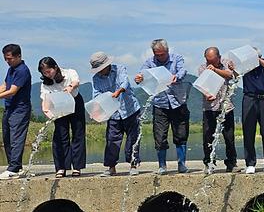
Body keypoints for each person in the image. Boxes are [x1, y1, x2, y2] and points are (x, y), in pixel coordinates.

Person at [134, 39, 189, 175]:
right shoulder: (149, 62)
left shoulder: (177, 58)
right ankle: (162, 165)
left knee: (181, 134)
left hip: (178, 102)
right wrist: (139, 78)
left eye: (162, 54)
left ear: (167, 51)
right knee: (160, 136)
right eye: (157, 55)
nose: (160, 57)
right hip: (160, 103)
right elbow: (141, 74)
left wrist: (177, 76)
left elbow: (183, 70)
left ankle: (181, 164)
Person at [90, 52, 142, 177]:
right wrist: (96, 108)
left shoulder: (119, 69)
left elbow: (125, 83)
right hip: (113, 113)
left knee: (133, 139)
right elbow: (96, 95)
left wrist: (118, 91)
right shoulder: (96, 78)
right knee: (112, 140)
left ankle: (133, 165)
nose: (100, 71)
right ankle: (111, 167)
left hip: (130, 110)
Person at [38, 57, 86, 177]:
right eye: (44, 73)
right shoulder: (45, 84)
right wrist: (47, 112)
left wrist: (71, 87)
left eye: (48, 71)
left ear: (55, 67)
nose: (47, 75)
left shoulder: (70, 72)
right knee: (60, 135)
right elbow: (45, 101)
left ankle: (77, 167)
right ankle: (61, 167)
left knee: (78, 133)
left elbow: (76, 82)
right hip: (59, 106)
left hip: (75, 102)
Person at [240, 46, 264, 174]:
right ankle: (250, 163)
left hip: (263, 99)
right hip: (249, 99)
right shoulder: (244, 65)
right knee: (248, 132)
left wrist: (257, 59)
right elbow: (235, 74)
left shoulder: (263, 62)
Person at [198, 47, 237, 174]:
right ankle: (209, 162)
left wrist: (215, 69)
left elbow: (230, 75)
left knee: (229, 137)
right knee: (207, 137)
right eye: (208, 60)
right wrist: (207, 94)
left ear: (219, 57)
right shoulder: (202, 67)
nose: (210, 63)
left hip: (226, 106)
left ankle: (231, 163)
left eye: (213, 61)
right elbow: (202, 85)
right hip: (209, 107)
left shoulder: (226, 63)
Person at [0, 44, 31, 179]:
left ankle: (13, 167)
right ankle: (15, 167)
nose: (7, 61)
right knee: (7, 137)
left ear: (19, 56)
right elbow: (5, 86)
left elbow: (12, 91)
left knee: (16, 138)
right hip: (9, 108)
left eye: (10, 58)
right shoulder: (11, 69)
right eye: (5, 59)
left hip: (20, 109)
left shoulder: (22, 70)